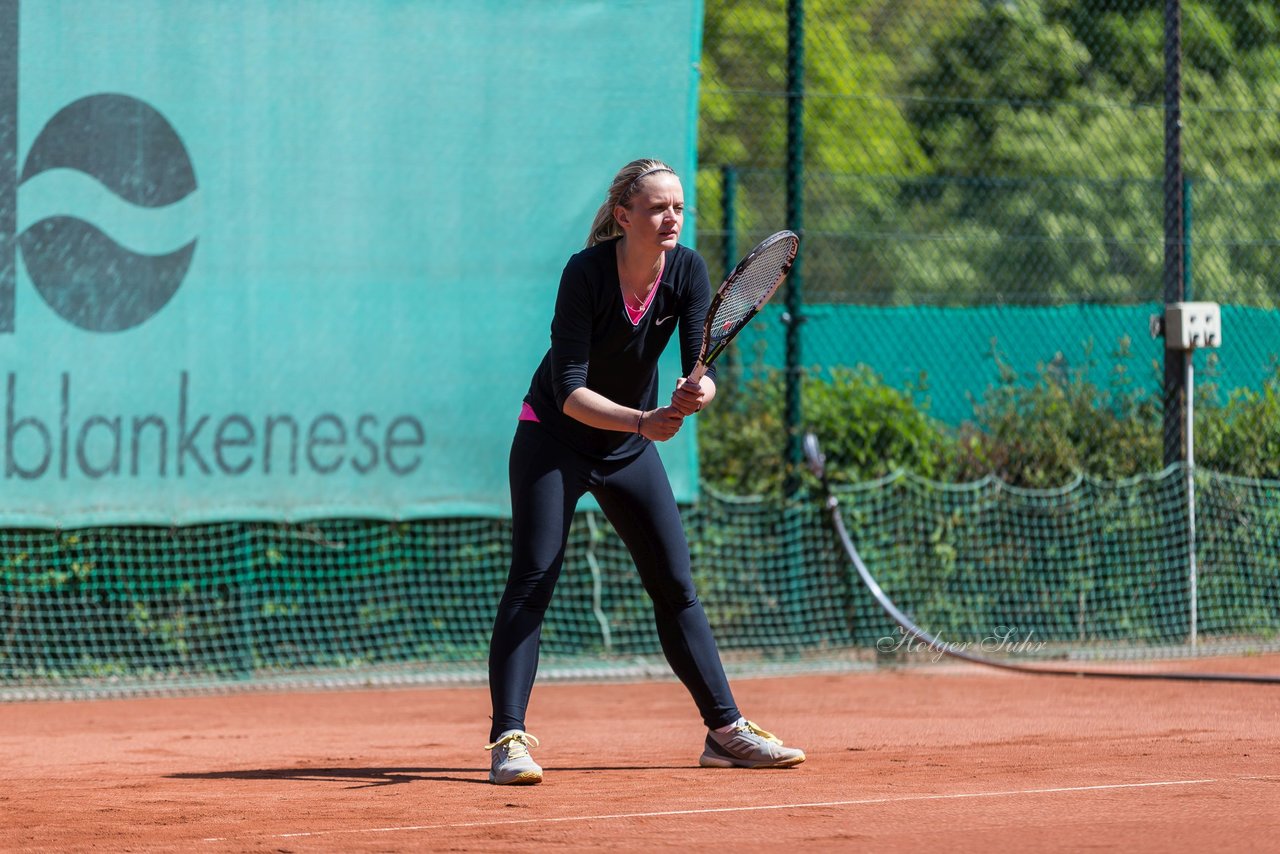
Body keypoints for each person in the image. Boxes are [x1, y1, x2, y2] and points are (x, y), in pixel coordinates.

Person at [485, 158, 805, 785]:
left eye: (679, 208)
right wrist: (643, 421)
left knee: (675, 584)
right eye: (659, 208)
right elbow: (570, 389)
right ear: (624, 216)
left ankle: (725, 731)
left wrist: (696, 391)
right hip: (554, 436)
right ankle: (509, 740)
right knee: (534, 574)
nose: (672, 219)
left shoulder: (686, 269)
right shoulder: (585, 274)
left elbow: (698, 367)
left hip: (629, 445)